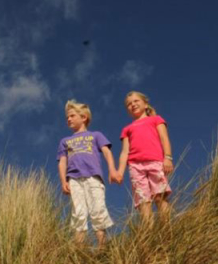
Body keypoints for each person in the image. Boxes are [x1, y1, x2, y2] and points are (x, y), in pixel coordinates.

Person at [57, 99, 116, 247]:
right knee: (78, 213)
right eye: (67, 117)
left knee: (98, 210)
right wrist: (63, 181)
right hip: (74, 180)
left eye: (72, 116)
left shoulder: (96, 135)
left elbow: (107, 152)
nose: (68, 119)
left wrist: (112, 169)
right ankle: (79, 249)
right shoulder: (65, 141)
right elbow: (62, 161)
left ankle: (103, 247)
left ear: (83, 117)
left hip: (93, 177)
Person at [112, 90, 173, 222]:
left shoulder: (156, 119)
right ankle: (148, 235)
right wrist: (120, 172)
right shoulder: (127, 129)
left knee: (159, 197)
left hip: (155, 162)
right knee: (143, 202)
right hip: (135, 167)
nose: (132, 104)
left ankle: (168, 231)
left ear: (145, 104)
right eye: (129, 104)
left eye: (136, 101)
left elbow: (164, 138)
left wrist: (168, 157)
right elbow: (124, 152)